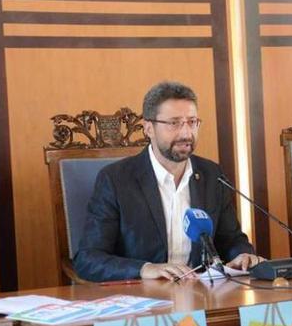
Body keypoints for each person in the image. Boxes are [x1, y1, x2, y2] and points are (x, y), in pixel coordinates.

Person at [74, 81, 263, 282]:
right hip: (144, 299)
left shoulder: (211, 174)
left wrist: (242, 255)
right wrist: (145, 269)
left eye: (192, 122)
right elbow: (88, 259)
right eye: (174, 123)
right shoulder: (116, 179)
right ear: (148, 128)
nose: (186, 133)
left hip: (202, 294)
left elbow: (230, 239)